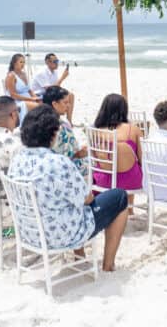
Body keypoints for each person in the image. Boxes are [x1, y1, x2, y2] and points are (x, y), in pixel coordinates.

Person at [8, 105, 129, 271]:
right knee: (119, 197)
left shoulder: (17, 159)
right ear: (53, 134)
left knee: (67, 202)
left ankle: (80, 256)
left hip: (30, 233)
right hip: (61, 235)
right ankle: (108, 265)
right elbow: (86, 199)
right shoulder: (58, 163)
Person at [91, 93, 144, 196]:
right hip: (130, 182)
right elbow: (143, 160)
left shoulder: (95, 131)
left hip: (104, 181)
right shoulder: (133, 129)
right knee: (132, 164)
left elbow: (95, 160)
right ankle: (130, 208)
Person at [42, 86, 89, 175]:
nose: (69, 105)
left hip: (46, 166)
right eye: (65, 102)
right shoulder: (62, 126)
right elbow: (71, 155)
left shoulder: (38, 120)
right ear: (55, 104)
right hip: (64, 168)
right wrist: (83, 152)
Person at [30, 54, 74, 121]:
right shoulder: (41, 73)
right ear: (48, 62)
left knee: (70, 95)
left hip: (48, 93)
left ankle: (69, 120)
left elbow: (55, 87)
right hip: (40, 95)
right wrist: (62, 77)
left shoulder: (54, 72)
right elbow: (49, 89)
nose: (57, 63)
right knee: (59, 99)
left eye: (57, 61)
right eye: (55, 61)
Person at [4, 54, 41, 123]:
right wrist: (30, 99)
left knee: (44, 103)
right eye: (21, 62)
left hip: (28, 99)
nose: (23, 64)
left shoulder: (23, 74)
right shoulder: (11, 76)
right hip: (17, 102)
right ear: (14, 63)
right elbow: (13, 95)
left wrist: (35, 97)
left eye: (24, 62)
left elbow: (29, 90)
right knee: (39, 107)